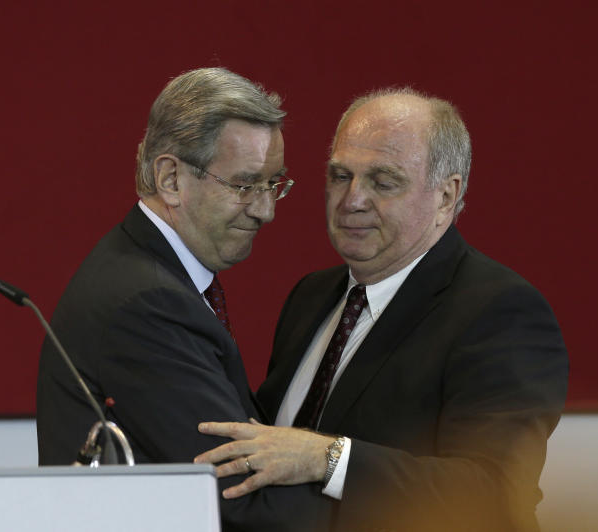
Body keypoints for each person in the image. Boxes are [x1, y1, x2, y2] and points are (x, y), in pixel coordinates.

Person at [195, 88, 569, 531]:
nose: (352, 200)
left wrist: (329, 458)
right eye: (340, 176)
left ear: (447, 196)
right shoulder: (311, 296)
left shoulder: (500, 312)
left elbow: (494, 492)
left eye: (383, 182)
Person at [35, 67, 331, 531]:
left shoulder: (140, 268)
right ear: (171, 178)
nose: (265, 210)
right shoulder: (148, 303)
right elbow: (236, 493)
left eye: (274, 185)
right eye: (244, 185)